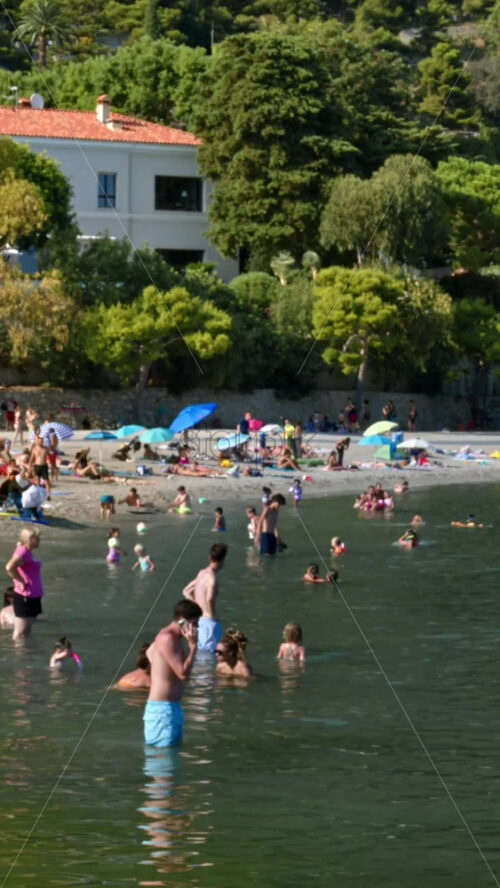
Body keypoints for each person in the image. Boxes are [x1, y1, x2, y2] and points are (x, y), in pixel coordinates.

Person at [143, 599, 202, 747]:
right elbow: (183, 674)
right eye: (194, 623)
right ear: (182, 621)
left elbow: (150, 651)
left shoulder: (171, 638)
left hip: (169, 708)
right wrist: (193, 646)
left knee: (169, 764)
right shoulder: (167, 638)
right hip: (162, 711)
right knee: (163, 763)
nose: (197, 628)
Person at [182, 543, 227, 652]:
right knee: (208, 657)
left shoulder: (201, 574)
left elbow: (186, 591)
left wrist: (197, 609)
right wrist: (213, 616)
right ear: (222, 560)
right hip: (209, 622)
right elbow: (210, 598)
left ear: (210, 557)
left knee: (200, 655)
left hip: (198, 621)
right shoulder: (212, 578)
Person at [5, 528, 44, 640]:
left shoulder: (26, 551)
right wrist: (21, 581)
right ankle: (17, 655)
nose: (39, 540)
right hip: (24, 596)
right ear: (30, 539)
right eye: (37, 538)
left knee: (26, 632)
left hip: (32, 595)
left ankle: (24, 655)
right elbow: (9, 567)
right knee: (20, 632)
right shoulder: (22, 551)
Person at [28, 433, 51, 500]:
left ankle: (48, 495)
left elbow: (50, 456)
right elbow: (31, 459)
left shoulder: (45, 448)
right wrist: (29, 467)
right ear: (37, 441)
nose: (41, 441)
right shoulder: (34, 449)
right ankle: (38, 494)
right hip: (37, 466)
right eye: (40, 440)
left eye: (42, 440)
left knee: (47, 481)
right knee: (37, 481)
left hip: (44, 466)